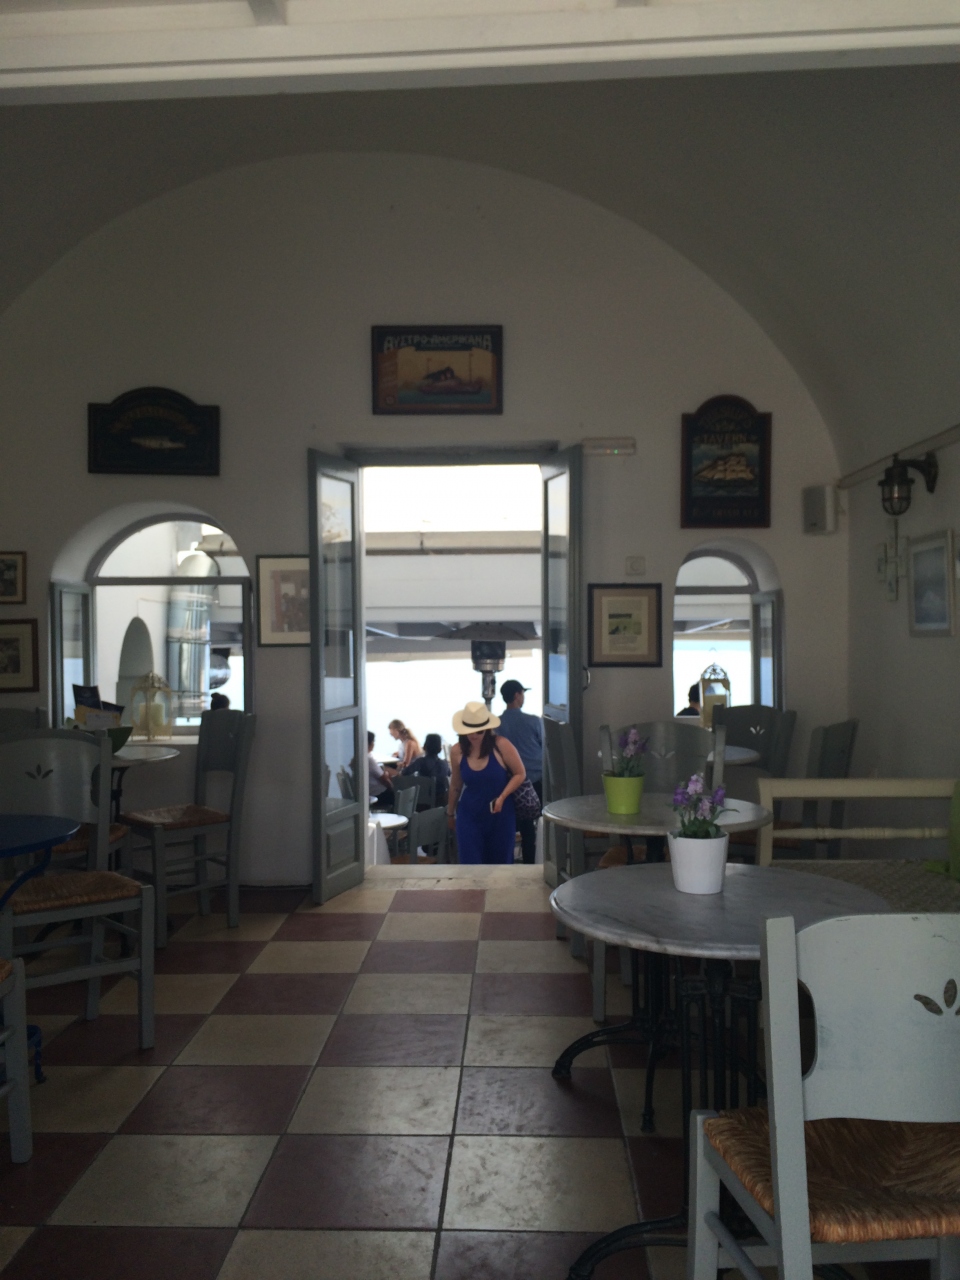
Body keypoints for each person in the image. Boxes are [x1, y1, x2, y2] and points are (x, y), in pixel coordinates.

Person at [447, 701, 525, 864]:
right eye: (469, 731)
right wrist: (450, 813)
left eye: (479, 731)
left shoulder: (501, 745)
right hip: (469, 814)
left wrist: (503, 796)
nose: (474, 735)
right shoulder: (457, 751)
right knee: (470, 864)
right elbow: (455, 785)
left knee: (501, 865)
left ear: (487, 729)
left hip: (500, 814)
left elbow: (520, 773)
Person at [496, 678, 543, 864]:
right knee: (531, 829)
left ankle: (507, 862)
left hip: (508, 784)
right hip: (535, 781)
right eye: (523, 693)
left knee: (510, 825)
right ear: (517, 695)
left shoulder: (497, 724)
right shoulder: (533, 721)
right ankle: (531, 864)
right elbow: (545, 747)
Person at [403, 732, 451, 808]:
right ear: (440, 749)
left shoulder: (421, 761)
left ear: (424, 747)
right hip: (441, 802)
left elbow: (405, 772)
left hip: (423, 802)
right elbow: (449, 774)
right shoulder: (444, 764)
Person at [367, 731, 393, 810]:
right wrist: (392, 787)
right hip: (377, 795)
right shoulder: (369, 759)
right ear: (371, 744)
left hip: (368, 793)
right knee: (393, 793)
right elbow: (384, 779)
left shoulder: (356, 758)